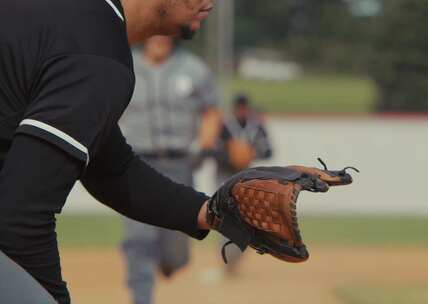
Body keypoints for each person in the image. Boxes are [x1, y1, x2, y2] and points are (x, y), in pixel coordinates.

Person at [0, 0, 215, 303]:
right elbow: (20, 218)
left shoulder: (78, 21)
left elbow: (112, 169)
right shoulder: (96, 50)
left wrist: (216, 211)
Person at [119, 35, 220, 304]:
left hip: (178, 164)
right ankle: (142, 298)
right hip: (135, 162)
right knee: (139, 238)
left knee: (176, 252)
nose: (160, 38)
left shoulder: (194, 68)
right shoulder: (124, 64)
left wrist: (205, 146)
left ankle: (170, 260)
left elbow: (211, 111)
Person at [213, 94, 273, 275]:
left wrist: (250, 153)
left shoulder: (256, 126)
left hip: (246, 176)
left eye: (244, 109)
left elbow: (268, 151)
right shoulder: (224, 125)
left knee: (246, 219)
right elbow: (213, 151)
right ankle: (227, 263)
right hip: (224, 175)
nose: (241, 112)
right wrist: (231, 155)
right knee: (225, 217)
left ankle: (235, 261)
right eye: (239, 109)